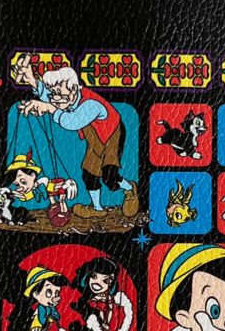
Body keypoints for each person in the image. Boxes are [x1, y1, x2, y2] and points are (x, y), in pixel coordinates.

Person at [12, 55, 139, 219]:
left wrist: (49, 108)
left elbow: (71, 122)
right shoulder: (66, 97)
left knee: (109, 176)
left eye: (59, 93)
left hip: (111, 135)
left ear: (74, 89)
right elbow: (51, 97)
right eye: (53, 94)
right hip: (94, 139)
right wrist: (32, 80)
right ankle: (97, 208)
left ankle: (129, 188)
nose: (55, 98)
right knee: (89, 174)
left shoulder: (91, 104)